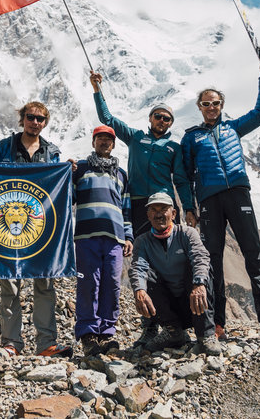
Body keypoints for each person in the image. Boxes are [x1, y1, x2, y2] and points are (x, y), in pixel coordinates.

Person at [89, 70, 195, 350]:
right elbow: (108, 120)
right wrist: (97, 89)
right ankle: (149, 326)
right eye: (158, 116)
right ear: (150, 119)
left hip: (164, 207)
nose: (162, 121)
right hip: (137, 205)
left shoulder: (173, 147)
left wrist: (189, 207)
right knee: (141, 263)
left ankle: (177, 323)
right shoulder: (136, 138)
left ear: (171, 123)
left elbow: (182, 179)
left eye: (167, 118)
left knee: (170, 263)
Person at [181, 69, 260, 341]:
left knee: (254, 255)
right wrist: (188, 206)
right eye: (206, 103)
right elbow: (182, 176)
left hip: (238, 194)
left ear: (221, 106)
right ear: (199, 107)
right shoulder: (191, 138)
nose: (211, 107)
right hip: (208, 200)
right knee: (212, 260)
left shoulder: (233, 128)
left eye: (215, 103)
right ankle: (217, 324)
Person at [0, 101, 72, 357]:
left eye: (40, 119)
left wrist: (66, 170)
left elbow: (57, 188)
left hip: (40, 226)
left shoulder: (52, 151)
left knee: (45, 283)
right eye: (30, 117)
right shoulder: (5, 146)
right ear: (22, 119)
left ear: (45, 122)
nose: (34, 122)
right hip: (8, 223)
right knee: (10, 285)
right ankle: (10, 343)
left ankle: (46, 344)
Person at [129, 193, 221, 356]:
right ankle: (173, 332)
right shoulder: (142, 241)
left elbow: (200, 256)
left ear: (173, 213)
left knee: (202, 269)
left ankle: (205, 335)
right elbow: (138, 267)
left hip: (194, 300)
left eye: (164, 209)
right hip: (167, 307)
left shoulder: (187, 233)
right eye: (154, 210)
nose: (159, 214)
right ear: (148, 215)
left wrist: (198, 284)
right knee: (143, 279)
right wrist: (139, 291)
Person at [72, 125, 133, 356]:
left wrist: (128, 236)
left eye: (109, 139)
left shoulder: (121, 174)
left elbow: (125, 208)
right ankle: (88, 334)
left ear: (114, 144)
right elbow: (68, 197)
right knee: (88, 284)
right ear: (93, 142)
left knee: (112, 285)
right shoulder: (81, 168)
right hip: (86, 237)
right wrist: (67, 173)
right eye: (100, 138)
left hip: (115, 239)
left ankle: (107, 334)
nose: (105, 142)